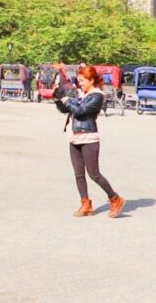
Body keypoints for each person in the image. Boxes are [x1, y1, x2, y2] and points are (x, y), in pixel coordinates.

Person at [55, 66, 125, 218]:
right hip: (74, 137)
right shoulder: (82, 94)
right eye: (79, 81)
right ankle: (85, 204)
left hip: (89, 139)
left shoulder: (97, 96)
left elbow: (80, 111)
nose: (80, 84)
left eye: (82, 81)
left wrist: (66, 99)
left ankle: (115, 199)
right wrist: (58, 98)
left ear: (91, 80)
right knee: (78, 174)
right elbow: (67, 110)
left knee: (94, 174)